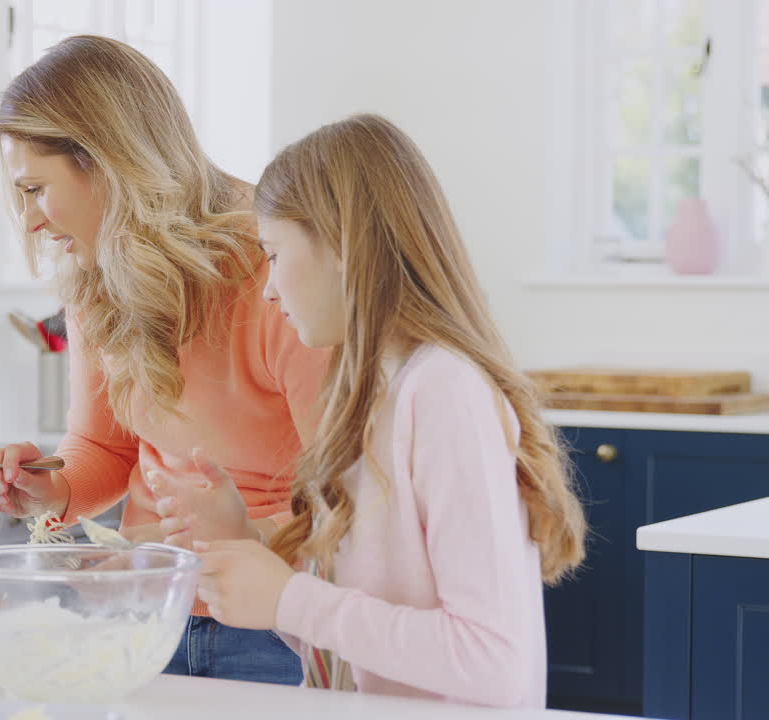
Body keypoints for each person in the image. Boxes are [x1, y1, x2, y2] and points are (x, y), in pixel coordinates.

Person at [156, 114, 587, 706]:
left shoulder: (444, 390)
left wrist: (291, 599)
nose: (269, 289)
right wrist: (250, 549)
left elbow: (494, 661)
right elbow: (354, 648)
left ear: (341, 245)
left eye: (274, 254)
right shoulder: (368, 398)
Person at [0, 35, 331, 685]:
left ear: (106, 164)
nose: (28, 221)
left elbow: (346, 507)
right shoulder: (96, 273)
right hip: (147, 616)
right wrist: (48, 486)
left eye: (35, 189)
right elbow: (104, 449)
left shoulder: (272, 268)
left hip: (272, 624)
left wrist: (195, 551)